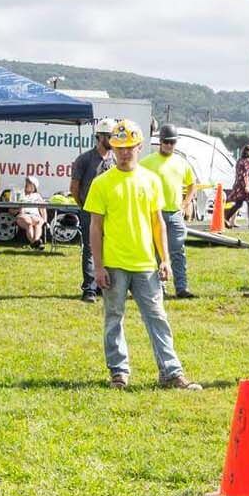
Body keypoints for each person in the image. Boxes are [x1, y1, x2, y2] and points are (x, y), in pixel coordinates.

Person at [83, 119, 201, 390]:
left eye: (130, 148)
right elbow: (95, 227)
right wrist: (98, 267)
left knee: (157, 316)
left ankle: (171, 373)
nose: (125, 153)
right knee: (114, 318)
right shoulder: (102, 184)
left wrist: (166, 260)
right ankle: (119, 373)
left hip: (146, 264)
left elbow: (158, 222)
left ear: (139, 147)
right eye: (119, 148)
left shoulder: (150, 181)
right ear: (112, 148)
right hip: (114, 264)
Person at [139, 125, 198, 298]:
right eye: (166, 142)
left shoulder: (181, 162)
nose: (169, 146)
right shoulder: (148, 162)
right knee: (156, 252)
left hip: (175, 214)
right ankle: (160, 287)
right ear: (160, 142)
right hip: (157, 214)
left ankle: (181, 287)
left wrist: (186, 203)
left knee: (178, 252)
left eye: (172, 142)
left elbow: (192, 183)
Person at [70, 119, 117, 302]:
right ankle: (89, 289)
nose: (113, 140)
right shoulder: (85, 159)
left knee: (108, 248)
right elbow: (74, 186)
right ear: (101, 137)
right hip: (90, 211)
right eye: (111, 137)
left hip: (111, 212)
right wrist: (83, 206)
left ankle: (101, 285)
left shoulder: (115, 160)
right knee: (90, 248)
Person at [225, 145, 249, 228]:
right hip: (243, 185)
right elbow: (245, 175)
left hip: (238, 184)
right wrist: (246, 187)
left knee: (239, 203)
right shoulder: (247, 161)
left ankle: (226, 218)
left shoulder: (240, 160)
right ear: (247, 152)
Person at [14, 177, 48, 249]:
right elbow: (11, 210)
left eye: (29, 183)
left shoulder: (37, 196)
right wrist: (18, 210)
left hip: (35, 215)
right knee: (28, 223)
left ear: (34, 186)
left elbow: (43, 209)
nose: (26, 184)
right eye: (26, 183)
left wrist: (45, 220)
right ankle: (36, 243)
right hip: (24, 215)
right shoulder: (19, 194)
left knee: (39, 223)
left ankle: (34, 242)